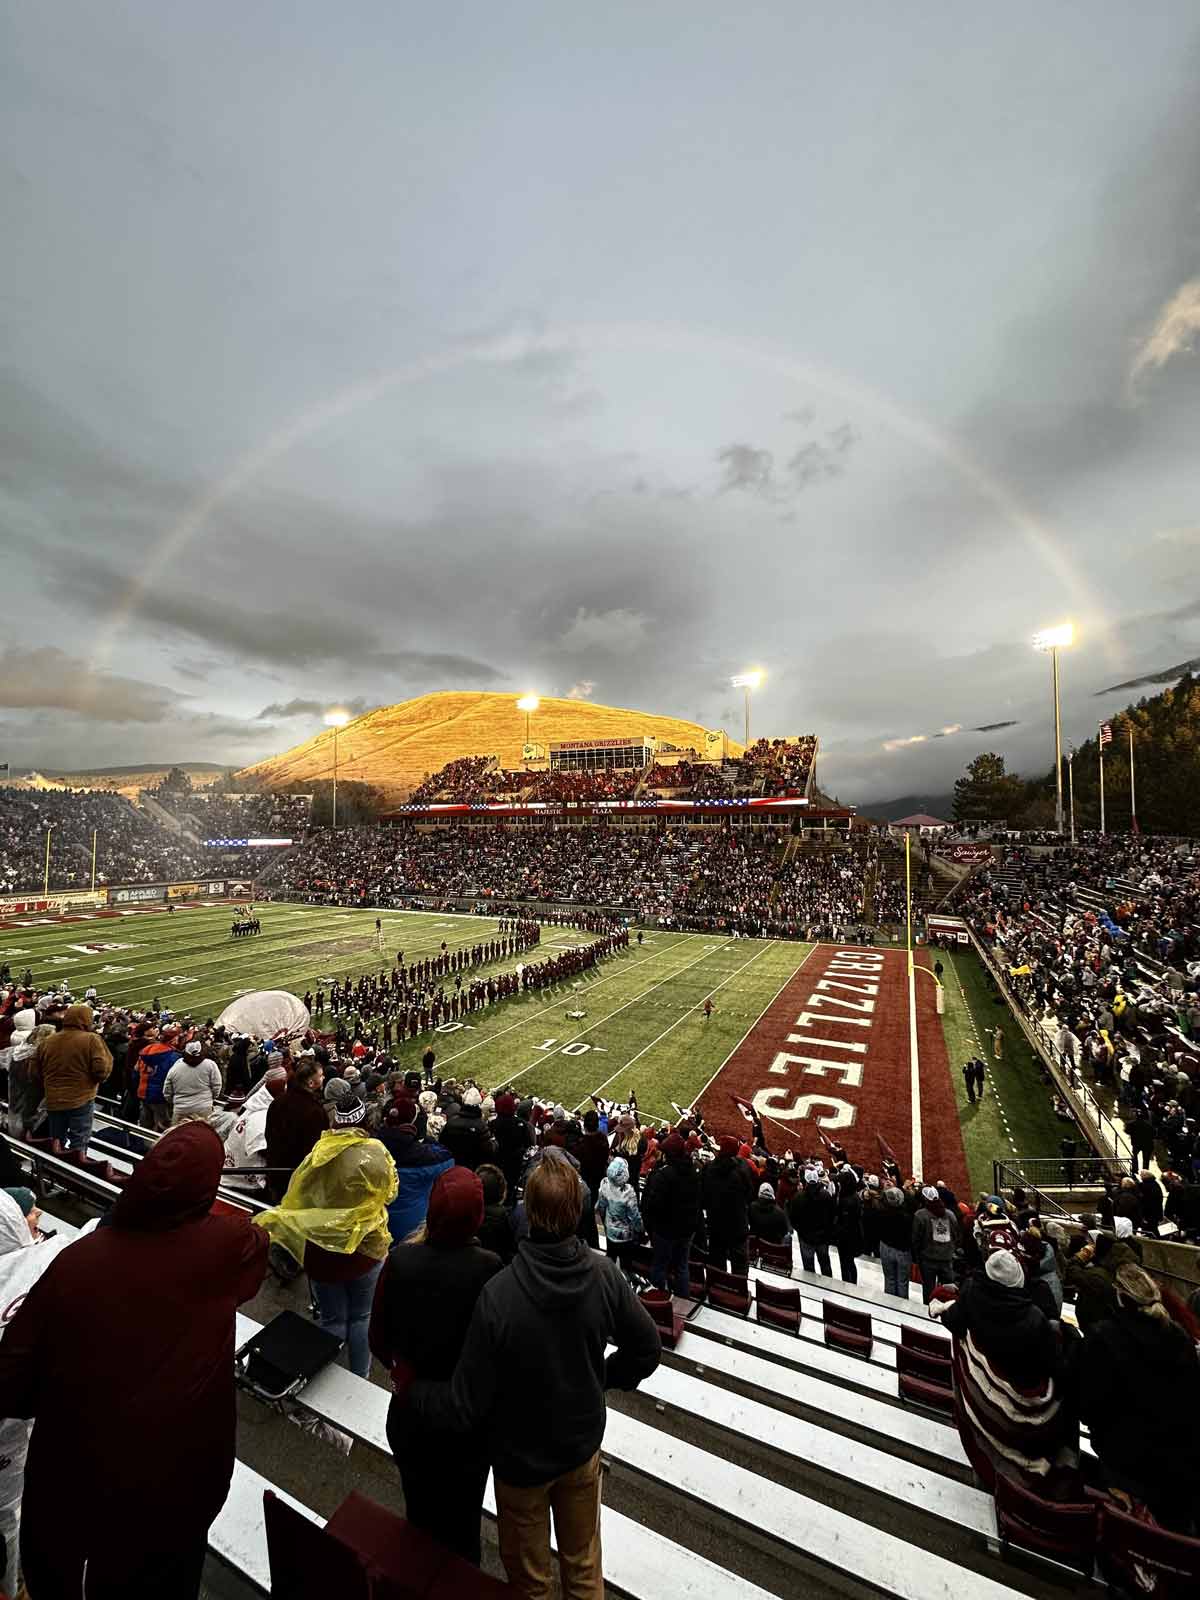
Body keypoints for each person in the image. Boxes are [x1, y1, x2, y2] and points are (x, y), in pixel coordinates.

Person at [0, 1124, 269, 1597]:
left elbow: (14, 1385)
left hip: (81, 1491)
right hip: (176, 1485)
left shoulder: (76, 1261)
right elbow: (254, 1247)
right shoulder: (226, 1244)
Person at [400, 1151, 661, 1599]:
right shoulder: (602, 1275)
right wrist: (601, 1377)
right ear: (576, 1211)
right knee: (584, 1568)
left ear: (529, 1213)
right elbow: (646, 1350)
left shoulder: (499, 1293)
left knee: (530, 1582)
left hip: (521, 1459)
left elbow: (465, 1403)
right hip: (578, 1447)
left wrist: (414, 1392)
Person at [368, 1167, 503, 1564]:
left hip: (411, 1414)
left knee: (418, 1516)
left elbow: (378, 1340)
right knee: (464, 1525)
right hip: (466, 1425)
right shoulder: (491, 1267)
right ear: (478, 1217)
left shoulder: (401, 1260)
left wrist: (403, 1371)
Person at [256, 1101, 398, 1377]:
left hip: (323, 1251)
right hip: (365, 1249)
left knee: (333, 1319)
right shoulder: (375, 1151)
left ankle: (324, 1378)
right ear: (364, 1122)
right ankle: (360, 1376)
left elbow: (299, 1198)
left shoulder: (318, 1153)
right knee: (361, 1317)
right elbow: (390, 1192)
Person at [0, 1186, 82, 1589]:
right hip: (12, 1432)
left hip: (21, 1421)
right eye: (30, 1213)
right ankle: (11, 1586)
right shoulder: (30, 1271)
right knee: (8, 1514)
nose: (38, 1217)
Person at [1081, 1263, 1200, 1532]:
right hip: (1175, 1459)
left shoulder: (1104, 1337)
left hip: (1124, 1461)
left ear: (1121, 1297)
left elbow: (1090, 1404)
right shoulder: (1180, 1338)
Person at [35, 1001, 113, 1155]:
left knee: (56, 1139)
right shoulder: (91, 1039)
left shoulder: (49, 1040)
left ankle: (54, 1165)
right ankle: (75, 1167)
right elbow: (101, 1070)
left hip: (53, 1098)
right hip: (81, 1098)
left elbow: (36, 1071)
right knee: (79, 1140)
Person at [641, 1132, 701, 1296]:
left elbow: (653, 1205)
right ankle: (683, 1300)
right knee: (682, 1266)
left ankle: (657, 1299)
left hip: (666, 1230)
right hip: (686, 1229)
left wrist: (651, 1226)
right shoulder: (694, 1170)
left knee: (660, 1265)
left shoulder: (664, 1175)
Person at [264, 1057, 328, 1202]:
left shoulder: (277, 1102)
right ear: (311, 1083)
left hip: (276, 1172)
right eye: (320, 1075)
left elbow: (269, 1134)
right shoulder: (315, 1111)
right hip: (300, 1177)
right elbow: (316, 1147)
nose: (323, 1078)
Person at [702, 1136, 754, 1274]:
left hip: (715, 1225)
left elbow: (703, 1197)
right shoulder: (742, 1170)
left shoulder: (708, 1168)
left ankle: (718, 1286)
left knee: (717, 1266)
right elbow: (749, 1195)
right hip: (737, 1227)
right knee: (740, 1268)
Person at [912, 1184, 959, 1304]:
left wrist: (918, 1257)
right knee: (949, 1291)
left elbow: (916, 1239)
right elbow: (956, 1235)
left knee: (929, 1290)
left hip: (928, 1260)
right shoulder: (950, 1215)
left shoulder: (920, 1215)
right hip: (946, 1259)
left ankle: (928, 1311)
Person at [596, 1156, 643, 1277]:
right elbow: (634, 1216)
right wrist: (640, 1230)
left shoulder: (605, 1184)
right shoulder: (628, 1192)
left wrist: (606, 1223)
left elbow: (601, 1206)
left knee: (610, 1260)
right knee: (626, 1265)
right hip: (625, 1235)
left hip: (610, 1230)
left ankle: (608, 1281)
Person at [164, 1039, 223, 1125]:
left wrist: (173, 1101)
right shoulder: (210, 1065)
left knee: (179, 1132)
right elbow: (217, 1085)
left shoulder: (176, 1067)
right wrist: (211, 1098)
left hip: (181, 1108)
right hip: (203, 1106)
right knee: (202, 1131)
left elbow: (167, 1089)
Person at [790, 1168, 836, 1277]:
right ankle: (828, 1284)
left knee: (808, 1268)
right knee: (825, 1265)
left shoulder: (798, 1197)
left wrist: (801, 1231)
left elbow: (793, 1218)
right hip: (822, 1238)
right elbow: (832, 1216)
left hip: (806, 1238)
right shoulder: (826, 1195)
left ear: (806, 1181)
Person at [440, 1086, 497, 1170]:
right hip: (472, 1168)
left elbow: (442, 1142)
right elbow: (489, 1150)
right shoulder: (481, 1125)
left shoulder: (452, 1121)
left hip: (453, 1165)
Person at [876, 1185, 914, 1299]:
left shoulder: (881, 1212)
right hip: (902, 1251)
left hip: (885, 1248)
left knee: (889, 1279)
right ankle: (901, 1306)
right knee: (902, 1282)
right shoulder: (907, 1217)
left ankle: (890, 1305)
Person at [748, 1181, 790, 1245]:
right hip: (774, 1247)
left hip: (755, 1246)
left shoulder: (751, 1207)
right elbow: (784, 1232)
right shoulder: (780, 1213)